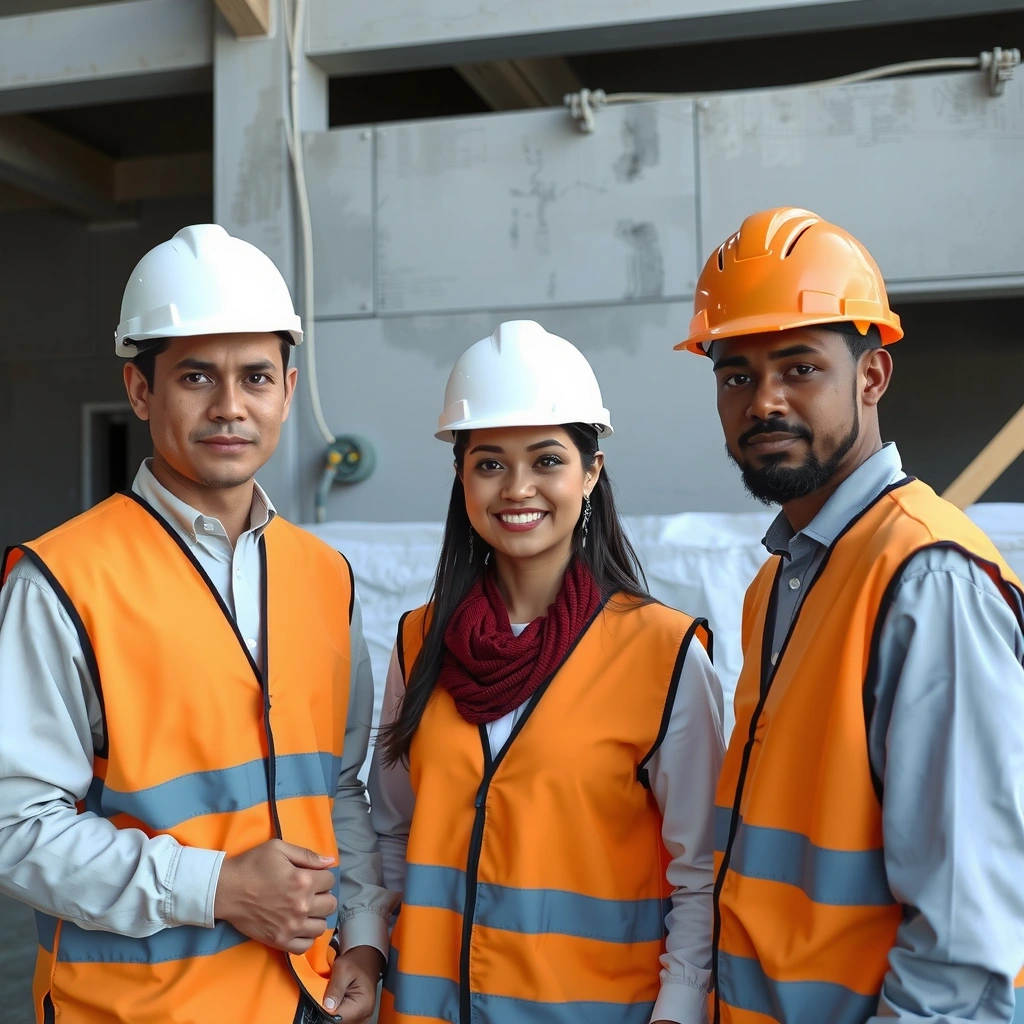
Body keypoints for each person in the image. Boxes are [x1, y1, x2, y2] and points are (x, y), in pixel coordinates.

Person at [0, 224, 397, 1024]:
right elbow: (16, 827)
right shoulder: (62, 580)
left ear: (288, 390)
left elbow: (338, 786)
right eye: (195, 377)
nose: (230, 407)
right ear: (140, 390)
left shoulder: (324, 576)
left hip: (306, 1000)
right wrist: (218, 887)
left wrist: (362, 935)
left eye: (256, 377)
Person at [676, 206, 1024, 1024]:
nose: (764, 401)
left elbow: (965, 946)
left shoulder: (928, 579)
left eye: (800, 367)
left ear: (872, 377)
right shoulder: (780, 581)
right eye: (736, 376)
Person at [369, 319, 726, 1024]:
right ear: (461, 477)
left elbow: (702, 871)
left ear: (591, 472)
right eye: (490, 464)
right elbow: (392, 835)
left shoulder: (663, 652)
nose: (517, 487)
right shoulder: (420, 642)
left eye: (547, 460)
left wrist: (679, 1009)